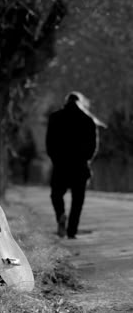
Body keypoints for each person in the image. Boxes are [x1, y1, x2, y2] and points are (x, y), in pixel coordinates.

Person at [46, 91, 100, 239]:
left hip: (61, 166)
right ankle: (72, 231)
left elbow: (49, 144)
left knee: (56, 194)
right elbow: (93, 147)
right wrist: (85, 159)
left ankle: (61, 215)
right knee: (78, 201)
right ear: (81, 102)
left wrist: (56, 160)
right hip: (80, 167)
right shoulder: (88, 120)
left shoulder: (55, 118)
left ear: (66, 102)